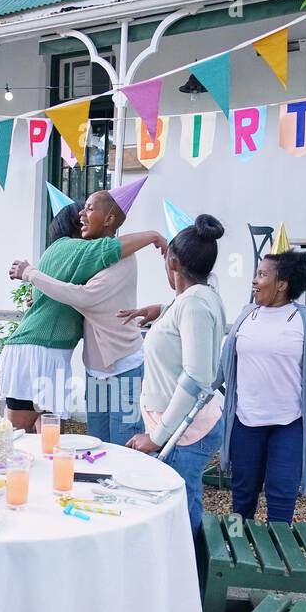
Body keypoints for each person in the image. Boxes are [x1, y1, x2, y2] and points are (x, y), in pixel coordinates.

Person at [0, 189, 163, 431]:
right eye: (81, 212)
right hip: (70, 360)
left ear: (108, 220)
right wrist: (151, 235)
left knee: (121, 439)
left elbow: (86, 296)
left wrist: (35, 279)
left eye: (89, 209)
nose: (83, 216)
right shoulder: (78, 251)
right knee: (79, 436)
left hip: (121, 364)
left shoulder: (114, 257)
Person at [123, 215, 227, 533]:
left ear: (173, 262)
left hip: (183, 430)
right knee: (180, 502)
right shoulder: (197, 296)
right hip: (180, 425)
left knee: (179, 506)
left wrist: (157, 437)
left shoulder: (193, 303)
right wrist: (162, 311)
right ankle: (186, 572)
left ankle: (188, 576)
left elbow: (195, 378)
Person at [218, 250, 306, 522]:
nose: (254, 281)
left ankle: (279, 555)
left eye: (262, 274)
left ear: (282, 284)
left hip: (290, 422)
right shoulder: (247, 315)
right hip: (246, 419)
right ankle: (237, 547)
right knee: (242, 492)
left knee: (282, 493)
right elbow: (223, 367)